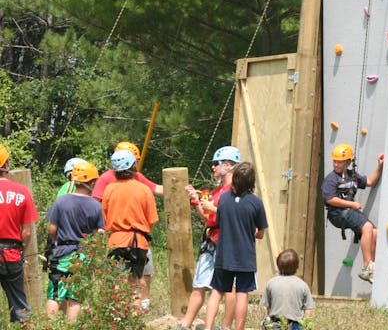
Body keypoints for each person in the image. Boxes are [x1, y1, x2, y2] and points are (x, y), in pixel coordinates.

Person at [176, 145, 241, 330]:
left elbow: (234, 217)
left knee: (229, 287)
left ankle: (226, 327)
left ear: (228, 165)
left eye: (215, 164)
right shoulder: (217, 191)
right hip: (211, 241)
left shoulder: (234, 191)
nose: (212, 167)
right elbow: (207, 219)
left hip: (226, 242)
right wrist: (196, 202)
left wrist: (213, 209)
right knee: (199, 284)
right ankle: (185, 324)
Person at [93, 140, 162, 309]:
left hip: (115, 241)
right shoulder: (143, 189)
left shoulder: (109, 189)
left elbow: (104, 217)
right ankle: (135, 317)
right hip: (139, 241)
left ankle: (118, 318)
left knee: (117, 282)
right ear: (133, 166)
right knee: (136, 283)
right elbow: (151, 220)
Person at [203, 161, 268, 330]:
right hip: (245, 256)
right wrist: (250, 230)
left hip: (224, 254)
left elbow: (220, 221)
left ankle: (208, 327)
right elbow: (260, 233)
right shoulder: (256, 203)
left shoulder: (223, 200)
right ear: (251, 181)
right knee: (242, 294)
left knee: (216, 291)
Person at [45, 161, 104, 321]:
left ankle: (50, 326)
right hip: (83, 256)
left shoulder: (61, 201)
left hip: (61, 254)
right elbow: (98, 234)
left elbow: (51, 229)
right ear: (92, 182)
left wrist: (59, 241)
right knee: (75, 297)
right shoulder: (95, 206)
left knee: (54, 294)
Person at [321, 143, 384, 283]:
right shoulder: (331, 179)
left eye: (339, 162)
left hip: (348, 211)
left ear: (348, 162)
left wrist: (379, 165)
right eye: (334, 161)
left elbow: (370, 182)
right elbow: (329, 199)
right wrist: (352, 204)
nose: (336, 164)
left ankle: (371, 267)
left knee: (374, 232)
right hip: (337, 213)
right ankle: (368, 266)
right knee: (367, 227)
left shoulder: (352, 176)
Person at [0, 144, 38, 323]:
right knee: (20, 306)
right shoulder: (22, 192)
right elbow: (27, 232)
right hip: (11, 254)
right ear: (6, 164)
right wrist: (20, 247)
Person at [260, 249, 314, 330]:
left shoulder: (271, 283)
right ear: (297, 267)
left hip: (275, 324)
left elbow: (266, 307)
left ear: (278, 265)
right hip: (295, 325)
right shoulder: (303, 285)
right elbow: (308, 310)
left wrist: (265, 324)